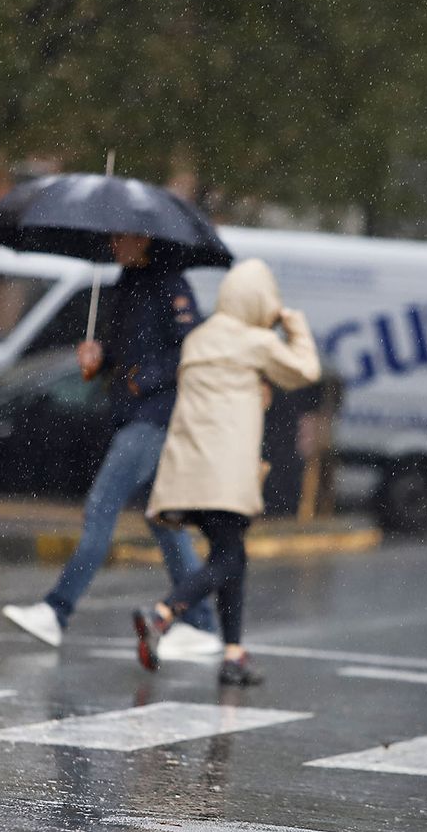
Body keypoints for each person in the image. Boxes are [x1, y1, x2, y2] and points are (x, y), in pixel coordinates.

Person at [2, 233, 220, 656]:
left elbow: (191, 348)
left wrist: (143, 379)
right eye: (113, 236)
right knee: (164, 523)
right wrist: (98, 358)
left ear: (145, 237)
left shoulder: (169, 283)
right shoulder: (127, 282)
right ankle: (200, 623)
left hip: (153, 419)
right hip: (131, 414)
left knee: (101, 508)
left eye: (123, 236)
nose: (115, 243)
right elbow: (124, 351)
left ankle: (57, 611)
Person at [131, 258, 321, 686]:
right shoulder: (255, 342)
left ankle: (233, 655)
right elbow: (306, 370)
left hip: (187, 468)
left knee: (230, 555)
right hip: (224, 473)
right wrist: (293, 324)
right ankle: (162, 613)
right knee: (230, 556)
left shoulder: (198, 338)